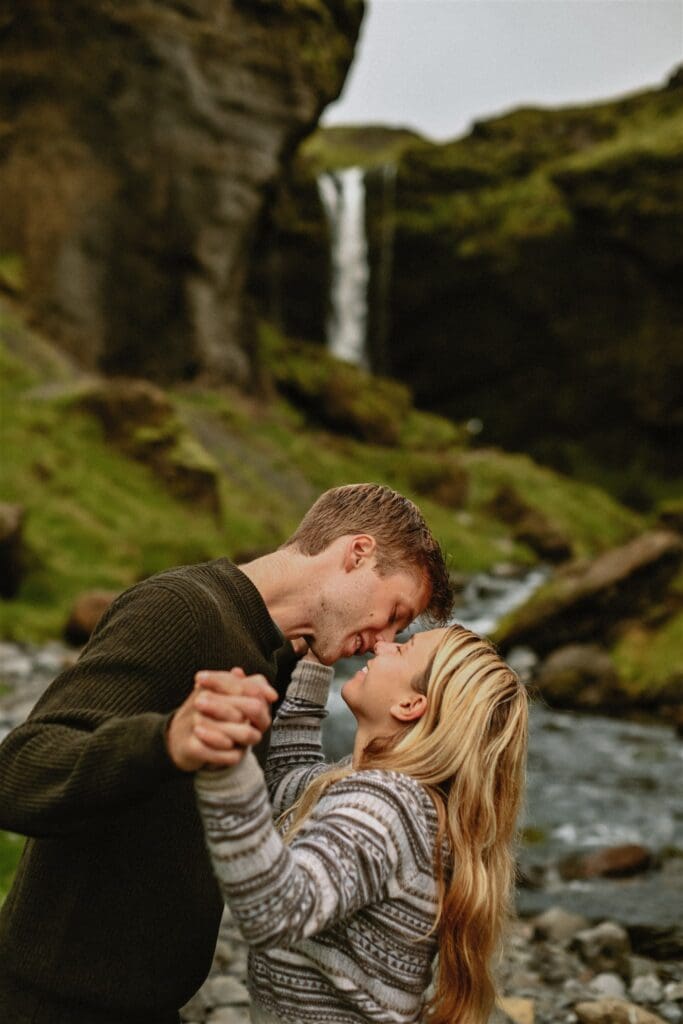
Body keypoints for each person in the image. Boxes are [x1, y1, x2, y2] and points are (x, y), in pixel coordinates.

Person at [0, 483, 452, 1024]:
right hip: (53, 1004)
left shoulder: (275, 653)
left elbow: (283, 789)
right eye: (395, 612)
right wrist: (164, 740)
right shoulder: (182, 610)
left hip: (149, 1006)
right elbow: (18, 770)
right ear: (358, 553)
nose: (384, 640)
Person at [192, 623, 529, 1024]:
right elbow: (284, 789)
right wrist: (317, 658)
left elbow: (277, 912)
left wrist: (226, 765)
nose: (383, 646)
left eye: (403, 649)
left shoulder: (386, 805)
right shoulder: (383, 792)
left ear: (410, 705)